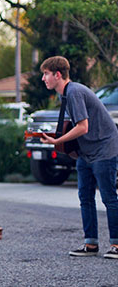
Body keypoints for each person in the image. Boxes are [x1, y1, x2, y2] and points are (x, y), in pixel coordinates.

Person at [38, 56, 118, 259]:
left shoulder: (73, 92)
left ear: (57, 74)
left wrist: (57, 142)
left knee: (109, 198)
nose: (43, 78)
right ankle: (91, 244)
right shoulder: (64, 94)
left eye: (46, 74)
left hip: (104, 148)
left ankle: (116, 245)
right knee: (85, 197)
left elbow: (83, 126)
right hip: (86, 152)